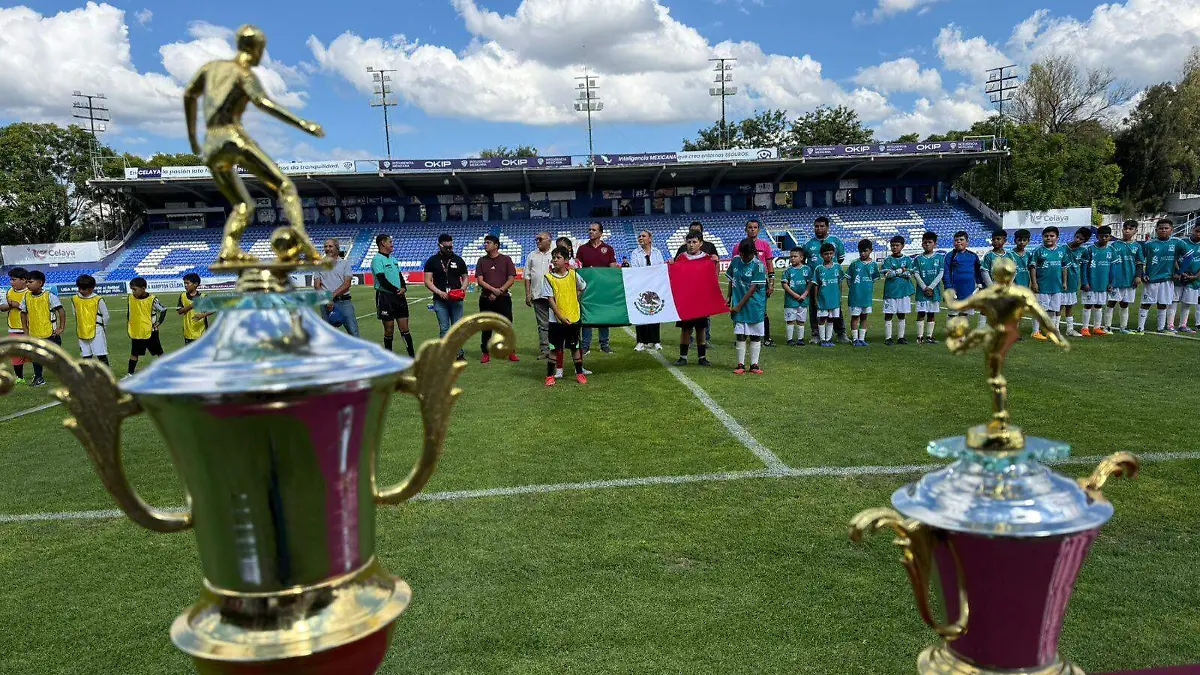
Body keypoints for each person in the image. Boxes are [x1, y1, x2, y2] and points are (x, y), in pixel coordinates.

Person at [542, 246, 587, 386]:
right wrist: (560, 316)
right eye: (553, 258)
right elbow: (550, 300)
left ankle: (579, 373)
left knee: (574, 347)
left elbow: (582, 287)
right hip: (556, 320)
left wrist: (576, 299)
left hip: (573, 317)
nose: (555, 260)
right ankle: (549, 376)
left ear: (566, 260)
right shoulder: (549, 277)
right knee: (554, 348)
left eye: (558, 258)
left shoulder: (573, 274)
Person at [803, 216, 848, 343]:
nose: (819, 228)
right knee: (814, 306)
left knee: (836, 306)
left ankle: (841, 332)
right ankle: (816, 333)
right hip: (815, 281)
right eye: (816, 226)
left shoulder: (836, 241)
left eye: (822, 226)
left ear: (827, 227)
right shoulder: (808, 244)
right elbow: (803, 260)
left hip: (832, 281)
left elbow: (840, 259)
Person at [1138, 218, 1187, 334]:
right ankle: (1140, 328)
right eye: (1160, 228)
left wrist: (1180, 272)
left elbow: (1188, 257)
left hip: (1167, 279)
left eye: (1166, 228)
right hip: (1151, 279)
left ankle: (1161, 328)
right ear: (1156, 230)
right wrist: (1143, 274)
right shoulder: (1149, 244)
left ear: (1171, 230)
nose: (1163, 230)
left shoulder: (1177, 243)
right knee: (1146, 303)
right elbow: (1140, 260)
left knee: (1163, 303)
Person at [424, 233, 468, 360]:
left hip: (456, 299)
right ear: (440, 246)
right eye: (446, 247)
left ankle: (459, 354)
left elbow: (465, 278)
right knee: (444, 328)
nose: (449, 250)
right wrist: (439, 292)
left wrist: (462, 289)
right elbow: (427, 281)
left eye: (451, 247)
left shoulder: (458, 260)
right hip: (440, 300)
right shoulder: (432, 261)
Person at [576, 221, 618, 354]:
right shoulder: (582, 249)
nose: (591, 232)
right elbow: (578, 269)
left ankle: (604, 343)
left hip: (603, 289)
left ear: (600, 233)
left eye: (594, 230)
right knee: (587, 316)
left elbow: (612, 270)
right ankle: (585, 345)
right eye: (589, 230)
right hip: (587, 289)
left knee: (603, 316)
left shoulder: (608, 249)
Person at [476, 234, 519, 363]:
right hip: (486, 298)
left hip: (503, 298)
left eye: (488, 243)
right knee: (486, 326)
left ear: (496, 245)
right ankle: (485, 352)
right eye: (485, 243)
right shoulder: (481, 261)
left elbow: (511, 279)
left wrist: (499, 291)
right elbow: (479, 280)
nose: (485, 245)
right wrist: (492, 290)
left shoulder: (506, 259)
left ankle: (510, 351)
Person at [675, 221, 719, 344]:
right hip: (687, 293)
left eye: (697, 230)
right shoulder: (682, 250)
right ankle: (687, 343)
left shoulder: (709, 248)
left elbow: (715, 263)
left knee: (704, 320)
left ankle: (706, 340)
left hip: (702, 291)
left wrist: (713, 283)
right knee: (686, 323)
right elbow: (677, 268)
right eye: (692, 230)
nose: (691, 244)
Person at [727, 238, 767, 374]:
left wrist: (737, 307)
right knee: (740, 334)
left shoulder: (758, 266)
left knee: (755, 335)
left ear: (753, 252)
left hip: (754, 305)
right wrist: (729, 297)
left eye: (747, 255)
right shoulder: (735, 261)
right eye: (742, 254)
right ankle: (740, 365)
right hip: (738, 302)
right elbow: (731, 280)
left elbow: (752, 290)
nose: (744, 257)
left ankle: (754, 365)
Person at [18, 270, 65, 387]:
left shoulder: (49, 296)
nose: (27, 284)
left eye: (30, 282)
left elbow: (61, 311)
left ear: (40, 283)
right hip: (34, 333)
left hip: (51, 333)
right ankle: (39, 378)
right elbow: (23, 313)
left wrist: (61, 327)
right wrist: (25, 329)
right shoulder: (26, 297)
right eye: (26, 282)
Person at [372, 234, 415, 356]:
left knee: (405, 328)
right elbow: (381, 279)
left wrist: (404, 288)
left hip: (399, 297)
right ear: (382, 243)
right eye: (390, 242)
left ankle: (412, 356)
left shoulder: (393, 259)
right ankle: (388, 357)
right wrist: (396, 290)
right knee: (389, 328)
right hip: (386, 297)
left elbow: (400, 276)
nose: (392, 244)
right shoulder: (377, 259)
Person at [673, 232, 712, 366]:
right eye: (689, 242)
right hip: (686, 299)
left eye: (694, 242)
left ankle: (702, 357)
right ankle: (683, 356)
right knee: (685, 329)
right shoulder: (681, 258)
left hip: (700, 300)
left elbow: (711, 278)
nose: (691, 245)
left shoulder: (706, 258)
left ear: (701, 243)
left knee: (701, 329)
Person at [629, 229, 666, 352]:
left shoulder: (657, 252)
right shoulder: (635, 253)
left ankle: (655, 341)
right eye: (639, 236)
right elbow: (635, 269)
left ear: (650, 238)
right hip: (641, 287)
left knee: (655, 313)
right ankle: (641, 341)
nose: (640, 238)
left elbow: (660, 268)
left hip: (655, 287)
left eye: (643, 236)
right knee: (640, 313)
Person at [314, 238, 358, 337]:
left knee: (353, 332)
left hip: (344, 302)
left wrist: (331, 297)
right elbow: (317, 285)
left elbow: (347, 284)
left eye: (330, 246)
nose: (327, 249)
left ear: (337, 248)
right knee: (328, 335)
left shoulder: (345, 264)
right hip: (326, 304)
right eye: (325, 246)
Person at [1106, 220, 1144, 333]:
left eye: (1130, 229)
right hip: (1116, 280)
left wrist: (1138, 276)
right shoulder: (1114, 245)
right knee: (1112, 302)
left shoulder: (1137, 246)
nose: (1127, 231)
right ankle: (1107, 327)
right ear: (1122, 229)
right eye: (1125, 228)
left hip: (1130, 279)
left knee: (1125, 303)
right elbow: (1109, 264)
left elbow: (1140, 262)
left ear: (1135, 231)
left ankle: (1123, 327)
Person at [1028, 226, 1066, 340]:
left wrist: (1064, 282)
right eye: (1046, 236)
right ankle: (1035, 331)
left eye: (1051, 236)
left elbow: (1064, 267)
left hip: (1056, 286)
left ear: (1057, 238)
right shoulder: (1038, 251)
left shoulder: (1061, 251)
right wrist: (1034, 283)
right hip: (1042, 286)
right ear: (1042, 237)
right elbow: (1032, 267)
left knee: (1053, 310)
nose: (1048, 238)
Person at [1080, 225, 1116, 337]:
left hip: (1103, 283)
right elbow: (1084, 268)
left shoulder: (1111, 250)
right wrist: (1084, 282)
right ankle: (1085, 328)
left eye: (1106, 236)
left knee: (1099, 305)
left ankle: (1097, 327)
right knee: (1088, 305)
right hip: (1091, 283)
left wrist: (1111, 283)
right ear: (1097, 236)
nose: (1104, 238)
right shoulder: (1089, 250)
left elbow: (1113, 268)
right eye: (1101, 236)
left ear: (1110, 237)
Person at [744, 218, 776, 346]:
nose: (752, 229)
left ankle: (766, 338)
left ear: (759, 229)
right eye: (750, 227)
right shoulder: (740, 245)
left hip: (761, 283)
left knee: (762, 310)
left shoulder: (765, 245)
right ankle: (741, 338)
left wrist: (772, 283)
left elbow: (769, 264)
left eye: (755, 227)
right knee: (744, 308)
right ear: (746, 229)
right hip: (745, 283)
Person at [126, 276, 166, 377]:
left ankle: (167, 370)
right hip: (137, 331)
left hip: (151, 331)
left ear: (143, 288)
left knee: (159, 352)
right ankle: (130, 374)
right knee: (134, 353)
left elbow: (163, 310)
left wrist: (159, 322)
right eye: (132, 289)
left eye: (135, 289)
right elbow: (129, 312)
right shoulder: (130, 298)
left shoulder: (152, 299)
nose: (133, 292)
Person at [524, 231, 554, 359]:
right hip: (537, 294)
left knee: (556, 322)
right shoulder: (532, 255)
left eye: (540, 239)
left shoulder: (556, 253)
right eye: (536, 239)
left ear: (549, 240)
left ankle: (557, 348)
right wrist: (527, 294)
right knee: (542, 324)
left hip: (554, 295)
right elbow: (527, 276)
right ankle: (545, 350)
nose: (537, 241)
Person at [945, 231, 983, 327]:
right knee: (953, 313)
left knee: (965, 313)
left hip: (969, 289)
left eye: (961, 240)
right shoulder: (950, 255)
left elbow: (978, 271)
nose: (958, 242)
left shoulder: (973, 256)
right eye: (956, 240)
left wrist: (979, 284)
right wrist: (948, 287)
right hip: (955, 289)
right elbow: (946, 272)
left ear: (967, 242)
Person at [881, 235, 914, 346]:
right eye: (892, 245)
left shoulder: (908, 259)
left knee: (901, 314)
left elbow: (909, 274)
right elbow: (887, 274)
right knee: (889, 315)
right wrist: (901, 270)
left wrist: (895, 272)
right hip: (890, 291)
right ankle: (888, 338)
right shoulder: (887, 260)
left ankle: (901, 337)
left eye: (897, 245)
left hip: (904, 291)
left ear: (902, 246)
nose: (894, 247)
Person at [1060, 227, 1093, 337]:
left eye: (1081, 239)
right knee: (1059, 306)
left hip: (1073, 280)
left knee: (1070, 305)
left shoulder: (1083, 251)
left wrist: (1084, 282)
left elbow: (1084, 268)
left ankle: (1070, 329)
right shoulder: (1062, 248)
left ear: (1085, 241)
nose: (1078, 240)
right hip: (1060, 281)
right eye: (1077, 237)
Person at [913, 232, 944, 344]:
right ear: (922, 244)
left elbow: (941, 274)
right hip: (922, 291)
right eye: (925, 242)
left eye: (930, 242)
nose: (927, 244)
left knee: (931, 313)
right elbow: (916, 274)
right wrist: (925, 287)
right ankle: (919, 336)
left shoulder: (940, 258)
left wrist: (931, 287)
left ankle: (929, 336)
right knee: (921, 313)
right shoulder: (918, 259)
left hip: (934, 291)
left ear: (935, 244)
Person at [847, 239, 880, 346]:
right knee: (855, 317)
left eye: (865, 251)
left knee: (864, 316)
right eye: (860, 251)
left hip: (866, 296)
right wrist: (853, 288)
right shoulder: (854, 263)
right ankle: (855, 339)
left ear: (871, 250)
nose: (862, 253)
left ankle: (862, 339)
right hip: (855, 296)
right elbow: (848, 278)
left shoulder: (873, 265)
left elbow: (874, 279)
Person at [813, 242, 846, 348]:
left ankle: (828, 339)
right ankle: (822, 339)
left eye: (831, 253)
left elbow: (840, 282)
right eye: (826, 254)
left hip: (834, 298)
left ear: (834, 254)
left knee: (831, 319)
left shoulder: (838, 267)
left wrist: (840, 296)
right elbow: (816, 285)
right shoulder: (818, 268)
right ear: (821, 255)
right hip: (823, 298)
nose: (829, 256)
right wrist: (815, 299)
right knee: (822, 319)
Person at [1, 267, 30, 384]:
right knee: (15, 354)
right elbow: (2, 308)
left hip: (30, 327)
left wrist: (17, 305)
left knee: (33, 353)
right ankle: (20, 377)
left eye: (14, 279)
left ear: (23, 280)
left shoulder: (30, 292)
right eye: (10, 280)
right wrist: (10, 305)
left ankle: (38, 375)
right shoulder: (9, 292)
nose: (11, 282)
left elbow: (33, 308)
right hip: (14, 328)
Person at [72, 274, 109, 365]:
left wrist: (103, 327)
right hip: (82, 331)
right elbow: (75, 313)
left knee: (101, 354)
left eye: (83, 289)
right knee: (86, 356)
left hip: (97, 330)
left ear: (91, 288)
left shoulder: (97, 299)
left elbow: (106, 315)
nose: (80, 291)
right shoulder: (75, 299)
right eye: (79, 288)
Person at [1171, 221, 1200, 332]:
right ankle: (1170, 325)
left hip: (1193, 280)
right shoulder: (1182, 242)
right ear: (1193, 229)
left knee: (1187, 303)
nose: (1198, 234)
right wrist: (1180, 271)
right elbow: (1174, 258)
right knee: (1174, 300)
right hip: (1178, 277)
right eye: (1197, 231)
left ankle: (1183, 325)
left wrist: (1195, 276)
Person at [781, 248, 813, 346]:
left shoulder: (807, 269)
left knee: (801, 320)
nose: (792, 258)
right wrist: (794, 295)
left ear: (801, 258)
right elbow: (784, 284)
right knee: (790, 320)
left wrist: (804, 294)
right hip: (791, 300)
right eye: (791, 256)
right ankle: (790, 339)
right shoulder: (788, 270)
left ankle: (800, 339)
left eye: (795, 256)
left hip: (803, 299)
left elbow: (810, 282)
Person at [177, 273, 213, 345]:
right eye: (184, 283)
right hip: (188, 333)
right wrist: (191, 306)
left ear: (195, 284)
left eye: (187, 283)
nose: (185, 285)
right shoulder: (182, 296)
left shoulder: (203, 297)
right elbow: (179, 311)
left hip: (202, 333)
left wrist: (202, 315)